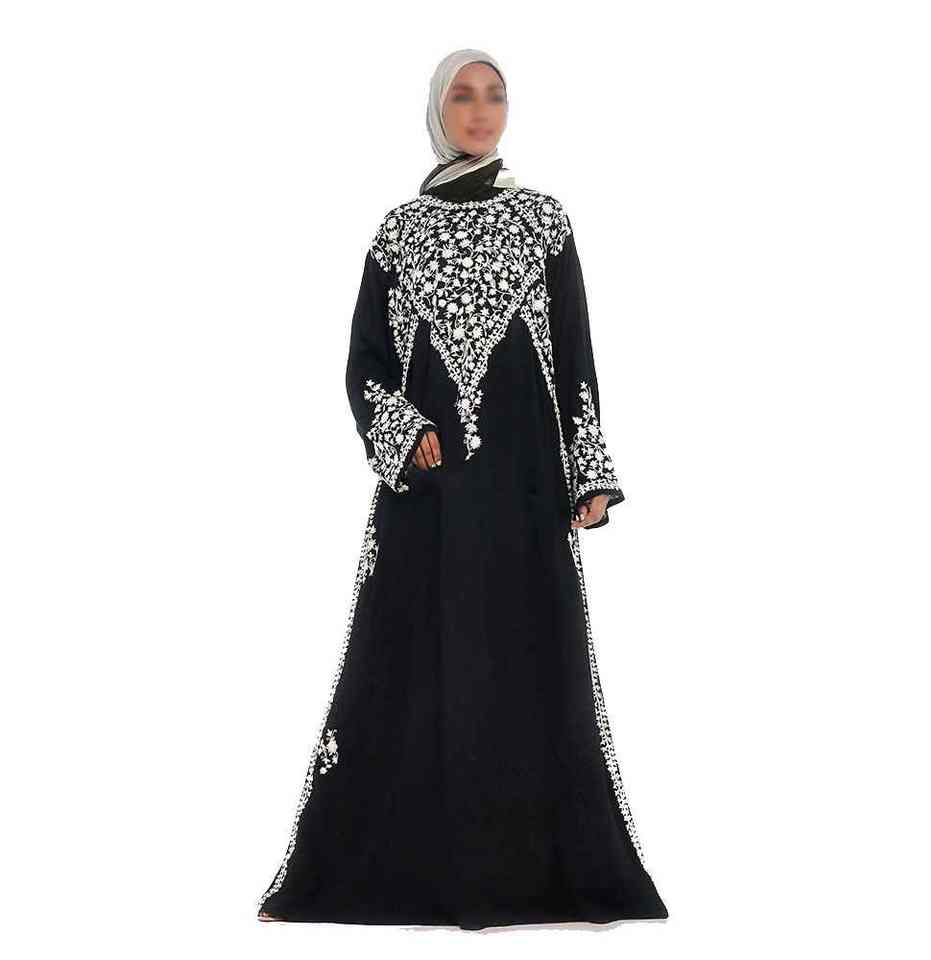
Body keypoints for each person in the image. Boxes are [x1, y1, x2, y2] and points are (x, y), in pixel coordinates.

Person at [256, 48, 668, 930]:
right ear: (437, 112)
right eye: (463, 97)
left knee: (529, 650)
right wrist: (404, 432)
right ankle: (392, 870)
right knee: (409, 658)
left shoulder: (544, 220)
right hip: (431, 489)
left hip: (526, 481)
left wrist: (590, 470)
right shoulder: (399, 231)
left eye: (495, 96)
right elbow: (366, 364)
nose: (481, 111)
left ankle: (542, 874)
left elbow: (575, 354)